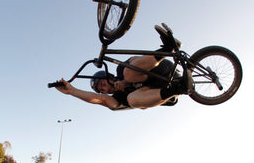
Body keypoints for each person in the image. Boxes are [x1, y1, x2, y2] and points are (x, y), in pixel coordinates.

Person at [55, 26, 194, 111]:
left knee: (127, 72)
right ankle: (179, 88)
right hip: (167, 91)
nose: (106, 90)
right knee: (132, 100)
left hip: (163, 70)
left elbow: (135, 61)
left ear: (109, 77)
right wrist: (72, 91)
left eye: (103, 84)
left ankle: (167, 48)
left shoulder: (119, 71)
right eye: (102, 90)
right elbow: (100, 99)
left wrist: (125, 82)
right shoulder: (118, 98)